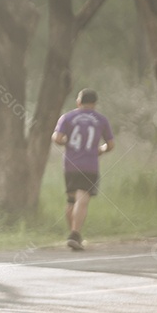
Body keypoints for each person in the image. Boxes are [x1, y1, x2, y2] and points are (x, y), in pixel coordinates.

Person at [52, 88, 114, 251]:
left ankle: (74, 234)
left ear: (78, 102)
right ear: (94, 104)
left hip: (70, 164)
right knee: (83, 200)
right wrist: (100, 149)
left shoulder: (68, 117)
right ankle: (74, 233)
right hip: (89, 165)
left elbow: (57, 138)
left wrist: (69, 143)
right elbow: (111, 144)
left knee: (72, 200)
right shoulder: (101, 120)